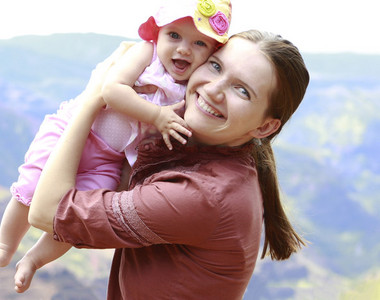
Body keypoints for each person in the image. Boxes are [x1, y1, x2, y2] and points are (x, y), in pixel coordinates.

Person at [24, 30, 309, 299]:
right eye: (215, 66)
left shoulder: (201, 196)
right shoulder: (190, 139)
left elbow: (47, 212)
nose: (213, 90)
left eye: (242, 91)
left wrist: (91, 100)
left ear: (265, 127)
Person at [0, 0, 233, 281]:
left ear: (211, 53)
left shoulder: (190, 88)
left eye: (199, 44)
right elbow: (111, 90)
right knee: (30, 188)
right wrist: (157, 115)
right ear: (157, 33)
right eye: (174, 35)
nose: (184, 48)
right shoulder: (146, 53)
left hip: (108, 158)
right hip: (71, 131)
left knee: (78, 213)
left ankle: (34, 259)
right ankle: (4, 247)